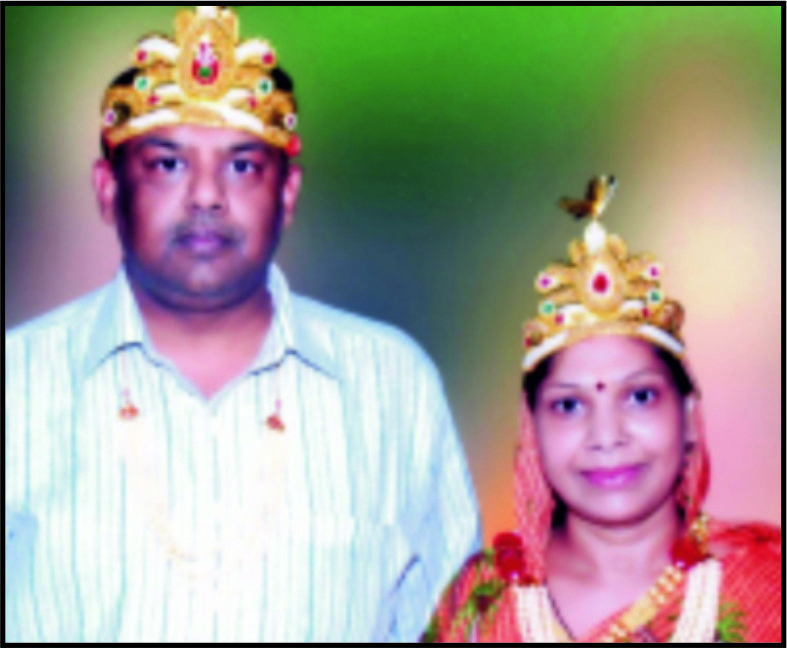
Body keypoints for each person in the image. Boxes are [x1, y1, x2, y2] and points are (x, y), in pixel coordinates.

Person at [4, 6, 480, 643]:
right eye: (167, 164)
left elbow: (462, 627)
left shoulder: (391, 386)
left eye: (242, 166)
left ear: (288, 193)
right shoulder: (18, 384)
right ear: (108, 189)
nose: (206, 196)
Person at [423, 176, 781, 643]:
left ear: (689, 415)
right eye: (569, 405)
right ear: (532, 429)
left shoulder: (767, 589)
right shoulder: (480, 602)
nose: (607, 436)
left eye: (640, 397)